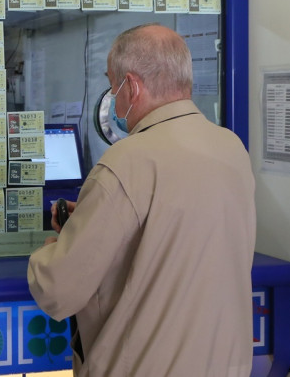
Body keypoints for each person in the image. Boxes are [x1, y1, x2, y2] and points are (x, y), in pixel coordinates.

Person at [27, 23, 256, 376]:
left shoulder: (126, 161)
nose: (112, 97)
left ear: (131, 87)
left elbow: (60, 288)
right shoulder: (231, 148)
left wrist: (50, 248)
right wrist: (92, 216)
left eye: (111, 85)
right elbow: (177, 240)